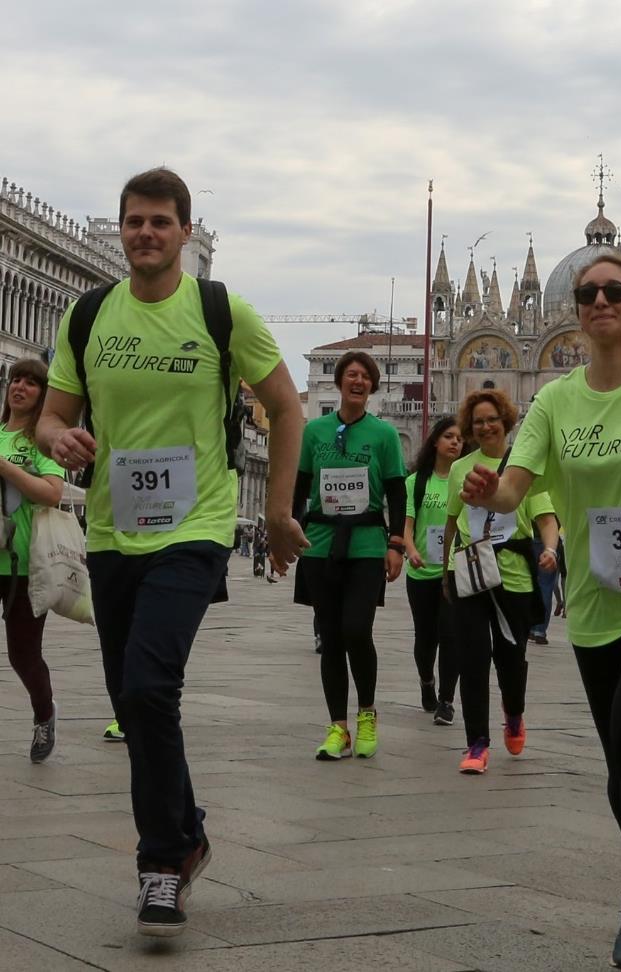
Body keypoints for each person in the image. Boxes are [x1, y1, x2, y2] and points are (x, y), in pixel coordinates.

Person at [37, 167, 304, 938]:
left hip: (197, 529)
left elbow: (285, 407)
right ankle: (186, 831)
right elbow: (51, 417)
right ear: (120, 230)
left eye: (160, 222)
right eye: (133, 222)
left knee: (152, 687)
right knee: (131, 696)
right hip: (115, 532)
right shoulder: (88, 316)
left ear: (187, 232)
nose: (146, 234)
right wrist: (64, 438)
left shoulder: (223, 312)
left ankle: (161, 863)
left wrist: (279, 510)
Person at [460, 252, 621, 971]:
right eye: (586, 293)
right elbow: (517, 489)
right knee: (620, 761)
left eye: (613, 290)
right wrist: (489, 492)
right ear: (573, 309)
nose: (599, 300)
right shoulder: (553, 402)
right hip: (597, 603)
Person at [294, 351, 406, 761]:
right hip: (321, 542)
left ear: (372, 386)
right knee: (331, 635)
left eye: (365, 377)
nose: (357, 381)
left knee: (357, 629)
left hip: (366, 545)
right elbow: (301, 483)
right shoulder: (315, 431)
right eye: (351, 375)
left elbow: (397, 489)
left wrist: (396, 543)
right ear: (339, 382)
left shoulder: (384, 434)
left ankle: (367, 714)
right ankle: (337, 726)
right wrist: (291, 529)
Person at [443, 388, 559, 776]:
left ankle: (514, 713)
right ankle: (476, 742)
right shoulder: (462, 468)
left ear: (506, 421)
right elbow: (451, 521)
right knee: (472, 658)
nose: (486, 426)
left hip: (513, 575)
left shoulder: (524, 467)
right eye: (478, 421)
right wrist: (445, 568)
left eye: (492, 419)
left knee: (511, 659)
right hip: (472, 571)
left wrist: (550, 550)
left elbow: (545, 518)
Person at [0, 359, 65, 762]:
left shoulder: (40, 443)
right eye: (15, 380)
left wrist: (5, 468)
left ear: (43, 394)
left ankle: (44, 714)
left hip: (23, 564)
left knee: (22, 654)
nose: (19, 387)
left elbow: (53, 492)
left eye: (30, 383)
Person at [403, 417, 464, 725]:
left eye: (460, 438)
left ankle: (447, 700)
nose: (455, 442)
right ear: (436, 442)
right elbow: (408, 525)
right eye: (449, 437)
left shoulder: (465, 480)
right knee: (426, 638)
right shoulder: (416, 482)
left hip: (454, 572)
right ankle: (427, 681)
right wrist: (411, 551)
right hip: (421, 572)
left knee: (451, 635)